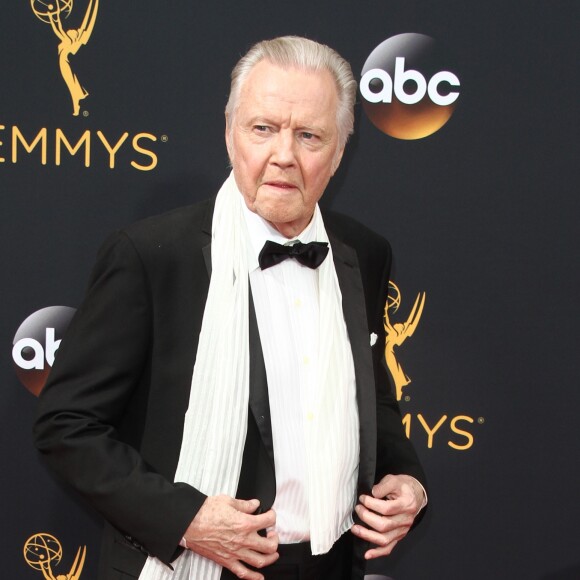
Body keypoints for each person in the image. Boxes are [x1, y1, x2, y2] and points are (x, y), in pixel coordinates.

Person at [34, 36, 427, 580]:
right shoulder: (151, 256)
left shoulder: (363, 252)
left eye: (309, 135)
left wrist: (407, 479)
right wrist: (186, 520)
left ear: (339, 153)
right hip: (193, 565)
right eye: (262, 128)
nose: (283, 155)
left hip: (329, 565)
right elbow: (66, 425)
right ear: (229, 133)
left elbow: (373, 401)